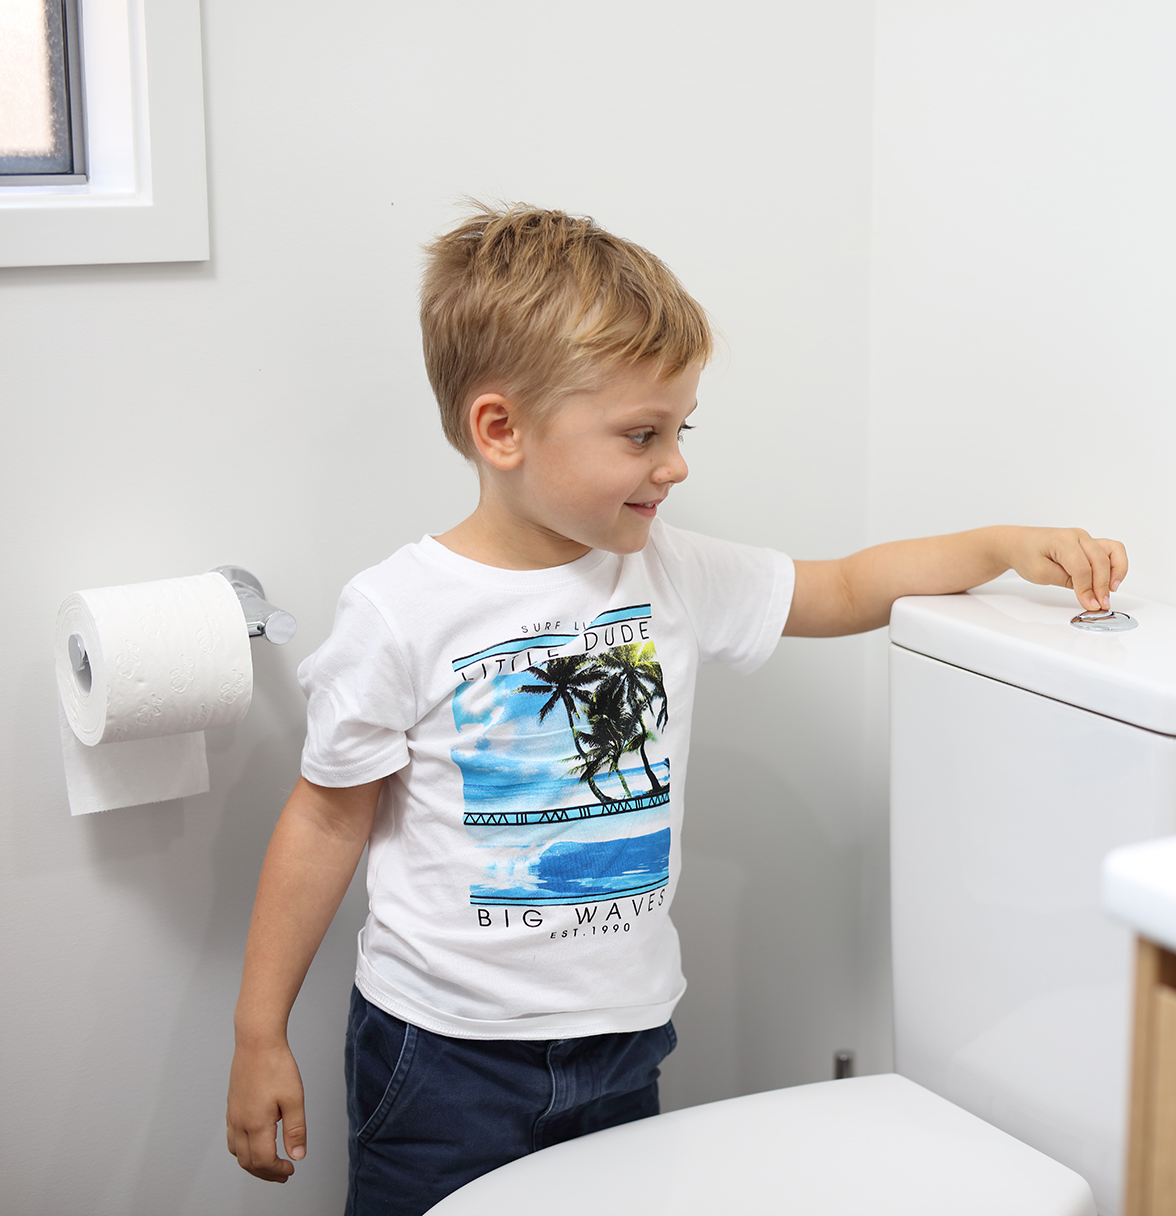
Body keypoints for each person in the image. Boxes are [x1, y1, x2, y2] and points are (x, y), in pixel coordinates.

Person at [224, 204, 1127, 1216]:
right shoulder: (400, 611)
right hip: (444, 1056)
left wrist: (998, 544)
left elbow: (840, 588)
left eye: (680, 428)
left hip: (624, 1039)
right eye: (642, 434)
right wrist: (261, 1032)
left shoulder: (667, 570)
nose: (677, 463)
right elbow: (324, 816)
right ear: (501, 428)